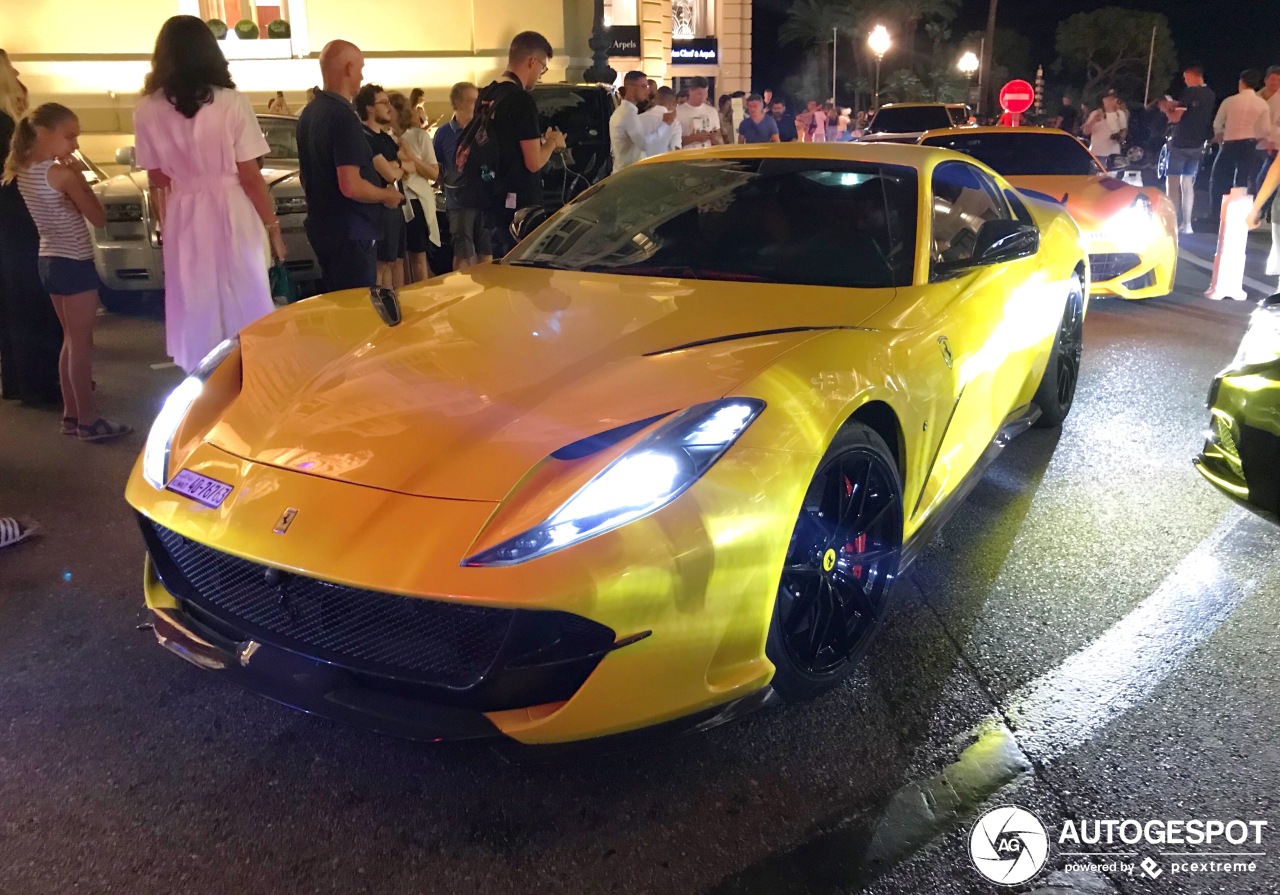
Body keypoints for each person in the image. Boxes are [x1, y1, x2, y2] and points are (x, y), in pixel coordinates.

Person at [133, 15, 284, 376]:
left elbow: (157, 177)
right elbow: (250, 174)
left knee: (195, 298)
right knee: (245, 289)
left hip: (184, 211)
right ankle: (251, 375)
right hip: (231, 204)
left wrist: (164, 221)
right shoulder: (231, 102)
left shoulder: (147, 109)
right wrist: (272, 225)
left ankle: (203, 382)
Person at [4, 103, 131, 440]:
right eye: (70, 136)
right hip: (73, 261)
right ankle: (89, 419)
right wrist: (80, 181)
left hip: (48, 259)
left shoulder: (24, 171)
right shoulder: (60, 175)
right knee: (81, 345)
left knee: (69, 341)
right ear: (44, 134)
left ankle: (71, 414)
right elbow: (97, 216)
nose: (75, 144)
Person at [296, 40, 403, 292]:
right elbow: (350, 185)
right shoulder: (342, 117)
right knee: (358, 309)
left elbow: (305, 176)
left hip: (323, 226)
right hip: (351, 232)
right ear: (347, 69)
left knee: (339, 304)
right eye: (360, 68)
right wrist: (385, 195)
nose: (362, 76)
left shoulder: (310, 113)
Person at [458, 31, 566, 258]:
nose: (540, 74)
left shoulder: (488, 93)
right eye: (543, 68)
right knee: (523, 270)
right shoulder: (521, 100)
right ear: (531, 61)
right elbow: (534, 162)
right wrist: (552, 143)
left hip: (492, 198)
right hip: (520, 208)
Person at [0, 48, 62, 407]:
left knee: (11, 304)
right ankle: (40, 383)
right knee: (31, 301)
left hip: (6, 221)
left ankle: (18, 380)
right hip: (17, 218)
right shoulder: (7, 126)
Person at [434, 81, 488, 270]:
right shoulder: (443, 134)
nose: (477, 105)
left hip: (483, 200)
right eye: (473, 101)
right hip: (459, 203)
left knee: (486, 251)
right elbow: (438, 168)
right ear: (458, 103)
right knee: (462, 252)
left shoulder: (483, 131)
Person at [357, 84, 406, 288]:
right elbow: (389, 174)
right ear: (369, 108)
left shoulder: (384, 137)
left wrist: (397, 165)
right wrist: (397, 167)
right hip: (380, 208)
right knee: (381, 266)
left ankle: (391, 301)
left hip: (396, 206)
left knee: (392, 262)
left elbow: (407, 163)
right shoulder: (365, 137)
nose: (389, 107)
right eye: (383, 102)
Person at [390, 91, 439, 284]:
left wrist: (411, 157)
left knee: (418, 254)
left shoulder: (419, 136)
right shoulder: (385, 138)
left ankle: (423, 294)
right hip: (396, 200)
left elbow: (433, 173)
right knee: (399, 258)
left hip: (416, 200)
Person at [1210, 69, 1270, 220]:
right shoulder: (1262, 104)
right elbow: (1266, 129)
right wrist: (1256, 137)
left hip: (1229, 143)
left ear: (1241, 83)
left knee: (1219, 177)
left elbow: (1217, 123)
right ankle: (1238, 215)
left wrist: (1221, 133)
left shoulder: (1230, 101)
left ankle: (1216, 214)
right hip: (1249, 144)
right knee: (1242, 180)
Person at [1165, 64, 1215, 233]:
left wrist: (1167, 109)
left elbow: (1176, 118)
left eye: (1186, 77)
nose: (1184, 80)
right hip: (1197, 144)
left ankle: (1171, 221)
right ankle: (1187, 224)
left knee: (1172, 182)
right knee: (1188, 183)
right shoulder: (1210, 94)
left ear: (1193, 76)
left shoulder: (1190, 92)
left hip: (1180, 143)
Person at [610, 70, 676, 170]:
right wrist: (665, 124)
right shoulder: (628, 114)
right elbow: (645, 144)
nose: (647, 91)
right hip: (627, 174)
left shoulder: (625, 112)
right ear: (630, 88)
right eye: (644, 86)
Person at [1082, 90, 1128, 167]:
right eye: (1108, 99)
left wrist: (1120, 137)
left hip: (1113, 154)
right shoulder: (1096, 113)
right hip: (1096, 153)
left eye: (1113, 99)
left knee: (1111, 178)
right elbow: (1086, 132)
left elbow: (1124, 130)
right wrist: (1093, 121)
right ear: (1103, 100)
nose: (1110, 101)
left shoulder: (1120, 114)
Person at [675, 76, 721, 149]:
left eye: (705, 94)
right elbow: (673, 143)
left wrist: (715, 138)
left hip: (708, 155)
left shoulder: (712, 111)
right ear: (690, 92)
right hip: (686, 156)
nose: (703, 97)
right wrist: (693, 138)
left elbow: (718, 137)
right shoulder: (678, 112)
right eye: (699, 94)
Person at [640, 86, 683, 155]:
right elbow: (675, 151)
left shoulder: (639, 118)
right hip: (662, 164)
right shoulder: (674, 123)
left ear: (654, 100)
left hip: (639, 163)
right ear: (674, 102)